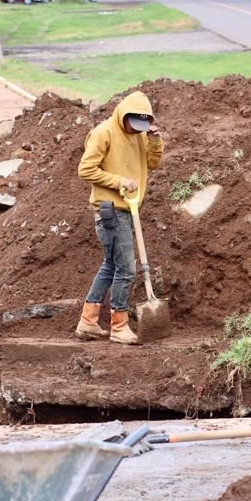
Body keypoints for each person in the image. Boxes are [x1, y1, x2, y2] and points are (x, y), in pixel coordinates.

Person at [75, 91, 164, 345]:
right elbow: (86, 168)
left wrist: (155, 141)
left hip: (125, 208)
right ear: (123, 114)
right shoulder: (104, 132)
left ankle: (88, 322)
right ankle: (119, 326)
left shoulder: (139, 135)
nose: (135, 130)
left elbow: (153, 163)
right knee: (126, 269)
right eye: (132, 124)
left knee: (111, 265)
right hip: (110, 210)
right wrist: (118, 181)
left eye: (141, 126)